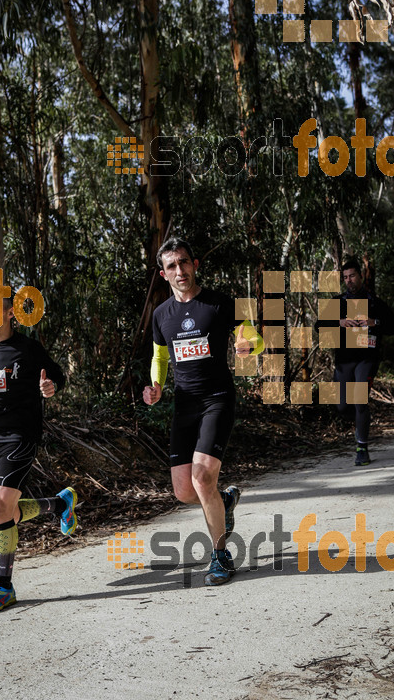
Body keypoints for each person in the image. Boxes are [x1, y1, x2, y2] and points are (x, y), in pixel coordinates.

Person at [142, 237, 261, 586]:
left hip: (218, 398)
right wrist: (156, 385)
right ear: (163, 274)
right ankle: (222, 503)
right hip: (185, 403)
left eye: (184, 263)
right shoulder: (161, 314)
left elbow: (255, 339)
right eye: (172, 267)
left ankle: (220, 555)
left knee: (202, 477)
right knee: (183, 491)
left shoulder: (220, 303)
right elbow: (160, 356)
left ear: (194, 264)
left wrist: (247, 344)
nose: (180, 271)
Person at [0, 285, 77, 614]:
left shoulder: (27, 348)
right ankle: (58, 503)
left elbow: (57, 376)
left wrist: (50, 386)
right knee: (7, 512)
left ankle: (3, 586)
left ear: (10, 313)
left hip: (21, 436)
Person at [328, 258, 394, 466]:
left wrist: (374, 322)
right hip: (344, 360)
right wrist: (339, 322)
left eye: (352, 276)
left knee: (360, 400)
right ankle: (362, 420)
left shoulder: (374, 302)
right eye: (345, 277)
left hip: (367, 358)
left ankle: (362, 448)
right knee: (342, 407)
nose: (349, 280)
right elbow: (318, 325)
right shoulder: (337, 302)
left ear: (360, 276)